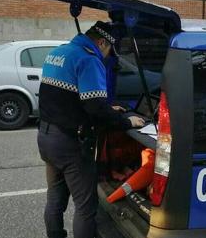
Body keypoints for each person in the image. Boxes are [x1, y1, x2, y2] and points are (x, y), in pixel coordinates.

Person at [37, 21, 145, 238]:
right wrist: (126, 121)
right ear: (102, 42)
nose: (107, 56)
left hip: (46, 137)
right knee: (86, 207)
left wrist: (107, 106)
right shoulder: (89, 59)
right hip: (70, 144)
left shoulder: (59, 52)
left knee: (55, 198)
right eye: (109, 50)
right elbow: (96, 109)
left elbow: (69, 99)